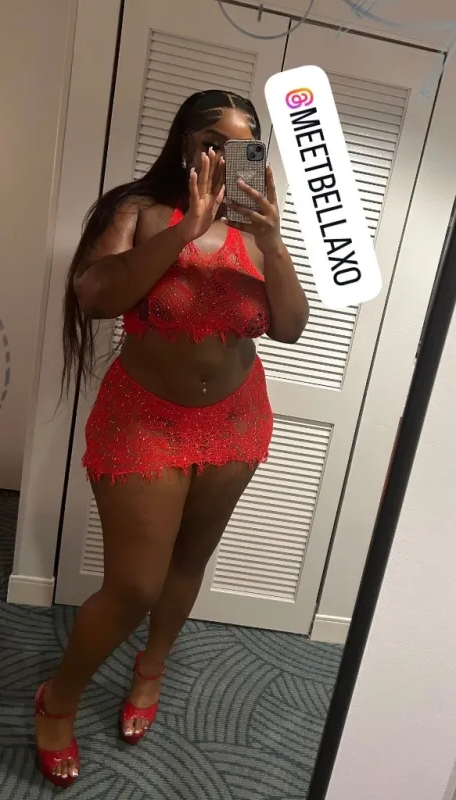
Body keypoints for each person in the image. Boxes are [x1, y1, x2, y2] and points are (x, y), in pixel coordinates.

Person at [34, 89, 309, 787]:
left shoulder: (260, 225)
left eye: (244, 145)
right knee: (133, 585)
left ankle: (151, 669)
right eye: (213, 140)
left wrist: (273, 241)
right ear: (183, 143)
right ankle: (56, 701)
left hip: (236, 423)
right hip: (144, 420)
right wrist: (185, 233)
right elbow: (95, 297)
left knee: (189, 561)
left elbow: (289, 327)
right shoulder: (138, 209)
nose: (225, 156)